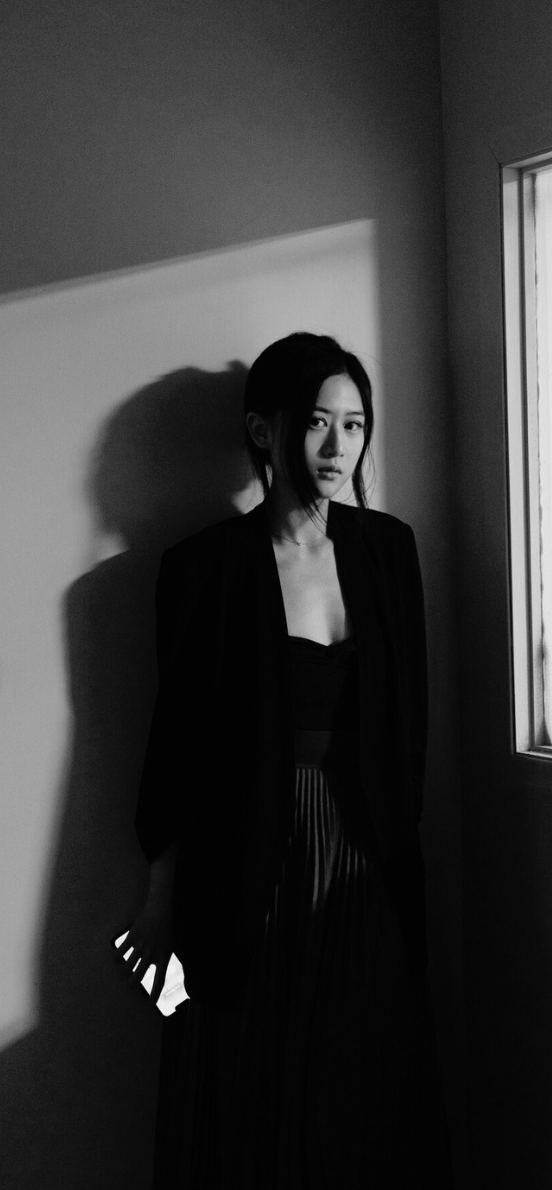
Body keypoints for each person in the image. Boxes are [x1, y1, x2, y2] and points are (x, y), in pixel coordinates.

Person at [116, 332, 454, 1188]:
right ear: (264, 434)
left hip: (365, 852)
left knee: (364, 1077)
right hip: (249, 852)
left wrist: (395, 853)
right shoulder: (204, 570)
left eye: (355, 424)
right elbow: (179, 748)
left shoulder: (387, 552)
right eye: (316, 424)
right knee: (248, 1070)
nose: (340, 448)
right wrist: (160, 900)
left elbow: (409, 724)